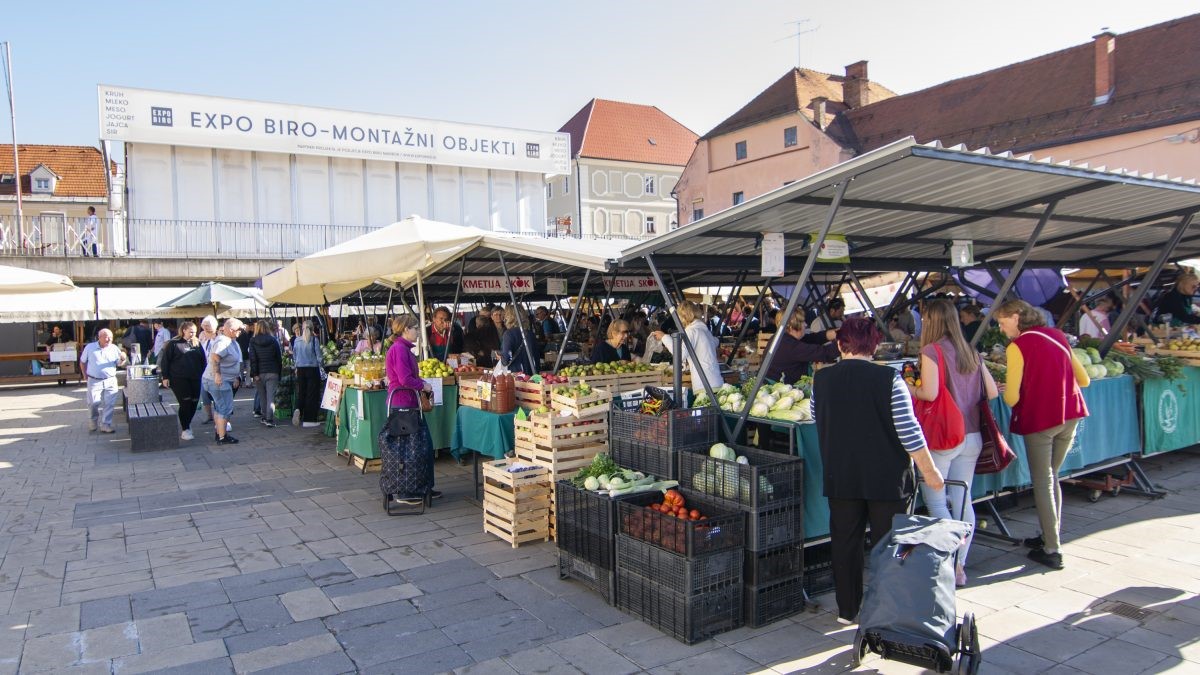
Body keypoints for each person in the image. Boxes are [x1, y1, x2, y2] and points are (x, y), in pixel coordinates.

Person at [809, 317, 945, 624]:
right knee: (891, 546)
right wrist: (930, 471)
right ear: (874, 345)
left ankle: (847, 610)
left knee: (845, 544)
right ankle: (888, 608)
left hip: (841, 475)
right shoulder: (890, 379)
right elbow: (909, 432)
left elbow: (818, 417)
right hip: (887, 479)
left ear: (841, 344)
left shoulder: (822, 379)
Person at [908, 299, 999, 587]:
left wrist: (908, 386)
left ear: (930, 321)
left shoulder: (931, 351)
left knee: (936, 500)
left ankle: (948, 561)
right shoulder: (969, 351)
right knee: (962, 499)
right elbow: (993, 391)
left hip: (944, 436)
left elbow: (930, 393)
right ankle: (960, 565)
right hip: (972, 435)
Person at [994, 299, 1090, 570]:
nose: (1002, 329)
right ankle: (1050, 536)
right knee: (1052, 476)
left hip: (1041, 420)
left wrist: (1011, 389)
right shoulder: (1058, 336)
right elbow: (1084, 380)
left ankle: (1052, 549)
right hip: (1070, 415)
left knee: (1043, 481)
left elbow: (1012, 397)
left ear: (1016, 316)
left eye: (1002, 322)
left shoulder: (1018, 346)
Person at [383, 315, 440, 506]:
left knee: (420, 447)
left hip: (407, 402)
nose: (418, 332)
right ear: (405, 330)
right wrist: (424, 386)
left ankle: (422, 485)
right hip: (403, 404)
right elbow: (405, 379)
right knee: (407, 450)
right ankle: (405, 490)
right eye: (415, 328)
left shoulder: (403, 349)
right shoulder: (399, 350)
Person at [651, 300, 722, 394]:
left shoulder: (691, 331)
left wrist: (664, 337)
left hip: (704, 384)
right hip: (716, 381)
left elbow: (680, 355)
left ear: (682, 316)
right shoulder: (703, 329)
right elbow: (715, 341)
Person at [158, 321, 205, 441]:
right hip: (178, 378)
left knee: (194, 402)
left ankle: (187, 423)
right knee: (185, 402)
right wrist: (165, 377)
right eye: (191, 332)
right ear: (184, 330)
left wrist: (202, 373)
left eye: (195, 332)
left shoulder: (197, 343)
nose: (193, 334)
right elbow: (165, 361)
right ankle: (185, 428)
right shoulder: (173, 344)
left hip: (195, 377)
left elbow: (203, 360)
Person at [764, 310, 838, 383]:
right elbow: (823, 353)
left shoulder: (780, 338)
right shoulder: (790, 346)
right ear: (791, 326)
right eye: (802, 322)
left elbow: (811, 339)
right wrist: (845, 343)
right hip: (783, 389)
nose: (805, 325)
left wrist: (834, 334)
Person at [202, 318, 245, 444]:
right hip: (218, 381)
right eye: (239, 330)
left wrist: (236, 376)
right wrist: (218, 375)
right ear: (231, 330)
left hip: (222, 380)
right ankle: (222, 437)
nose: (241, 332)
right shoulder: (223, 341)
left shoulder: (231, 341)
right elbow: (215, 357)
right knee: (225, 408)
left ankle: (220, 434)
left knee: (220, 407)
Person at [80, 328, 127, 433]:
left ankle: (106, 424)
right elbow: (82, 362)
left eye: (111, 337)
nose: (109, 339)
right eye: (106, 337)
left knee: (110, 403)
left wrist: (123, 359)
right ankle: (93, 420)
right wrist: (84, 375)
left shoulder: (114, 348)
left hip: (110, 380)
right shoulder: (90, 347)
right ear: (99, 337)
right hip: (94, 380)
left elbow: (118, 364)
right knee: (93, 403)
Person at [249, 319, 283, 428]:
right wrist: (279, 372)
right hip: (273, 371)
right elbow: (279, 358)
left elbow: (252, 359)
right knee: (270, 397)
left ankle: (264, 417)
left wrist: (254, 374)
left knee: (262, 396)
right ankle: (269, 419)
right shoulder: (273, 340)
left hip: (259, 373)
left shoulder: (253, 341)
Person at [292, 320, 322, 428]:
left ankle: (298, 409)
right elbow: (319, 357)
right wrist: (321, 362)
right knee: (311, 394)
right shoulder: (314, 340)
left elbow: (294, 356)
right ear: (312, 328)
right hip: (312, 369)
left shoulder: (297, 340)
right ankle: (309, 420)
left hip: (300, 369)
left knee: (302, 392)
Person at [500, 305, 543, 375]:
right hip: (531, 374)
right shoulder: (530, 333)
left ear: (509, 316)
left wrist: (500, 357)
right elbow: (536, 356)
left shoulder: (508, 334)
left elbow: (506, 359)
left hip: (516, 374)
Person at [198, 315, 219, 426]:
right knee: (204, 394)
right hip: (204, 371)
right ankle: (208, 415)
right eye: (204, 326)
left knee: (216, 394)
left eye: (208, 325)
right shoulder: (202, 339)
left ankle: (218, 415)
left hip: (215, 371)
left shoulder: (218, 338)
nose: (205, 328)